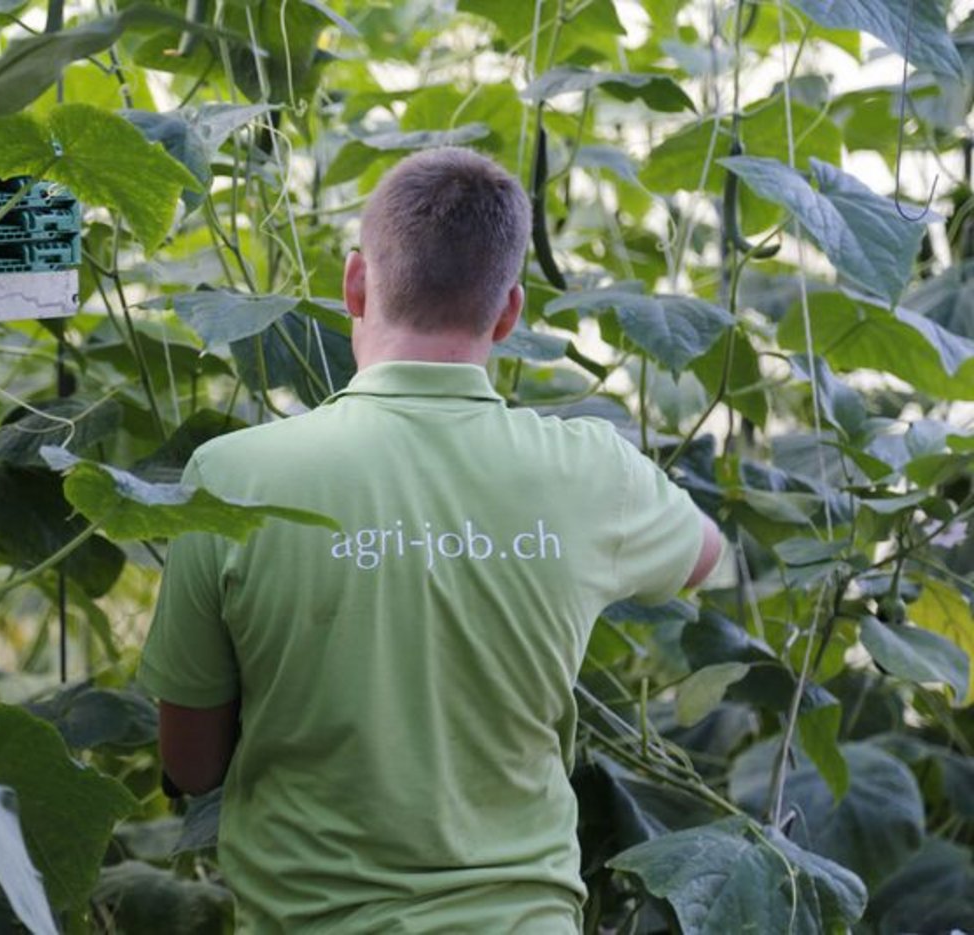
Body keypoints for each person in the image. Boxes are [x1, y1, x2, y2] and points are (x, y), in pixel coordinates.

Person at [139, 147, 724, 933]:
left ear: (355, 283)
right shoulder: (592, 474)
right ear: (510, 312)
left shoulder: (231, 476)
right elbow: (704, 555)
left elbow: (191, 764)